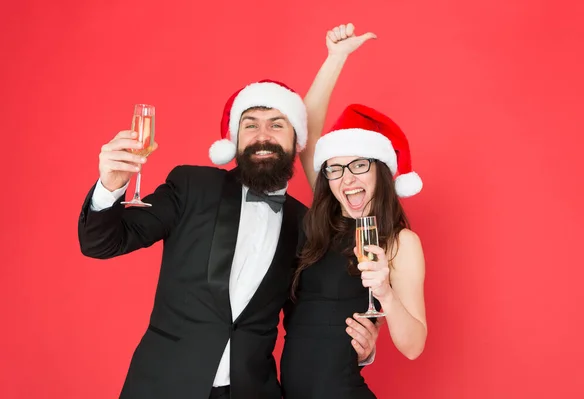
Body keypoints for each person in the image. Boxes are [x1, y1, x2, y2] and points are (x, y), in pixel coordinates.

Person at [78, 24, 378, 399]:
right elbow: (101, 242)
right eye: (249, 125)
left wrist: (362, 347)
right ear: (234, 140)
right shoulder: (192, 187)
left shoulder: (305, 223)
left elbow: (315, 314)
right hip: (164, 387)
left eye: (276, 125)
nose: (263, 135)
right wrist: (110, 186)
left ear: (296, 140)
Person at [280, 103, 428, 398]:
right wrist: (334, 58)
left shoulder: (400, 242)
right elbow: (304, 125)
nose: (347, 179)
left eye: (359, 165)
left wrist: (385, 292)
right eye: (335, 169)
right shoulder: (317, 226)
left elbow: (414, 346)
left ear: (381, 170)